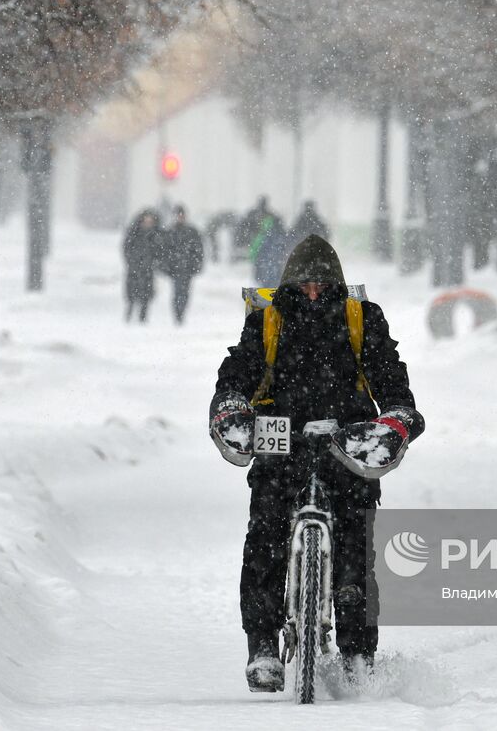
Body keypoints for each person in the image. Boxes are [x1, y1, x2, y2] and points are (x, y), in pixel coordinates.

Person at [208, 235, 425, 693]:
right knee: (265, 534)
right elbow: (240, 371)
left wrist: (397, 416)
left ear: (337, 285)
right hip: (279, 438)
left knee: (356, 547)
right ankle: (263, 646)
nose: (312, 292)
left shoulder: (362, 319)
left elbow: (389, 376)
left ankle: (358, 657)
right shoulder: (267, 321)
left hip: (347, 441)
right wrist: (230, 404)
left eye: (321, 285)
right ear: (290, 285)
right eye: (304, 284)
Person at [161, 205, 204, 324]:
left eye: (182, 215)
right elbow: (164, 251)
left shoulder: (192, 231)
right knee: (177, 292)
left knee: (185, 293)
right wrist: (166, 266)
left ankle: (181, 312)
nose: (180, 217)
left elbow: (198, 250)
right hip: (175, 269)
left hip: (187, 269)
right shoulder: (170, 232)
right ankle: (178, 314)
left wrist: (196, 265)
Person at [121, 209, 162, 322]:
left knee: (146, 294)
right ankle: (129, 314)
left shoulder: (155, 235)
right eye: (146, 220)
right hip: (134, 268)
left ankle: (142, 317)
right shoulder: (134, 232)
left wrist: (154, 262)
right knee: (131, 293)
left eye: (150, 221)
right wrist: (132, 261)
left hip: (148, 270)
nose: (148, 223)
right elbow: (126, 248)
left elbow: (160, 251)